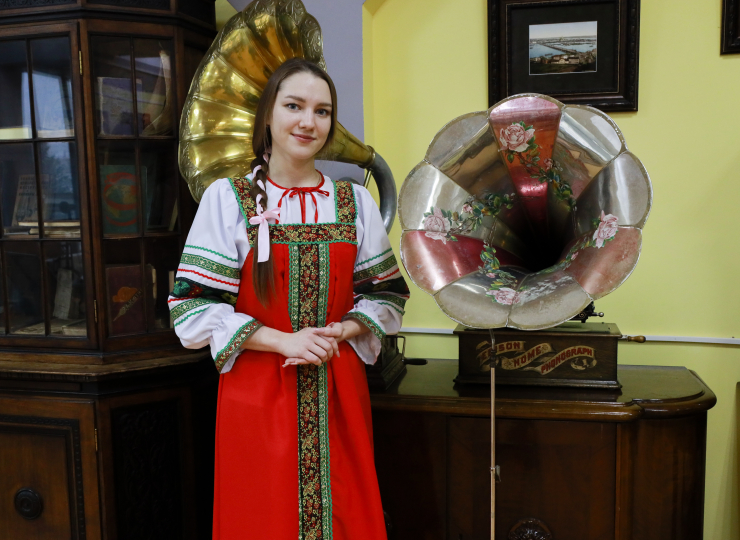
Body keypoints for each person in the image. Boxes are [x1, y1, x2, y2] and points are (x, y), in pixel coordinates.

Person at [168, 58, 409, 540]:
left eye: (322, 111)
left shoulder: (354, 203)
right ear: (268, 115)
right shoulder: (227, 199)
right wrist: (284, 341)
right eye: (294, 106)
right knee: (263, 517)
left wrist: (343, 329)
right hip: (258, 391)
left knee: (346, 514)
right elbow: (191, 306)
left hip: (338, 389)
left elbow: (386, 294)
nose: (308, 122)